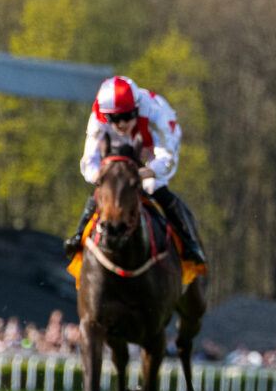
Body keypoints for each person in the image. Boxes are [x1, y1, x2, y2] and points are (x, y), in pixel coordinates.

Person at [64, 75, 207, 266]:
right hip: (120, 148)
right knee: (108, 188)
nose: (121, 124)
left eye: (126, 116)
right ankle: (78, 235)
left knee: (152, 187)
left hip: (153, 148)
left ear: (137, 109)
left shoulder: (156, 114)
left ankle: (189, 241)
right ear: (106, 115)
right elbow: (89, 161)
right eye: (114, 118)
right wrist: (103, 178)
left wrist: (142, 174)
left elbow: (166, 160)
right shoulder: (98, 117)